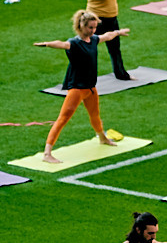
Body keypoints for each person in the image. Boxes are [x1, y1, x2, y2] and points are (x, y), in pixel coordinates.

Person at [33, 10, 129, 163]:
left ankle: (102, 138)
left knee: (95, 116)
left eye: (95, 27)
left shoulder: (94, 39)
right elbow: (62, 44)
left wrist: (118, 32)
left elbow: (106, 36)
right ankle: (47, 153)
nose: (93, 30)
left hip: (91, 88)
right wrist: (47, 44)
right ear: (81, 26)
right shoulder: (75, 43)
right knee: (63, 119)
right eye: (90, 27)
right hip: (77, 89)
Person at [49, 0, 145, 80]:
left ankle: (121, 74)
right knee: (83, 48)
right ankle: (74, 77)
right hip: (94, 20)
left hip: (112, 18)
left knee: (115, 49)